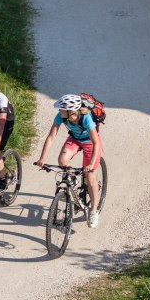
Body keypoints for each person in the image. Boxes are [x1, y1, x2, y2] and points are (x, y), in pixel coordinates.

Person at [34, 94, 104, 228]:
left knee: (90, 176)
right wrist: (42, 159)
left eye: (61, 109)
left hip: (91, 142)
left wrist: (90, 165)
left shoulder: (86, 118)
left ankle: (94, 211)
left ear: (71, 111)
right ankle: (73, 178)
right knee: (62, 160)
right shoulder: (61, 116)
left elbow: (96, 142)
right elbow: (50, 137)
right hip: (75, 139)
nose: (59, 111)